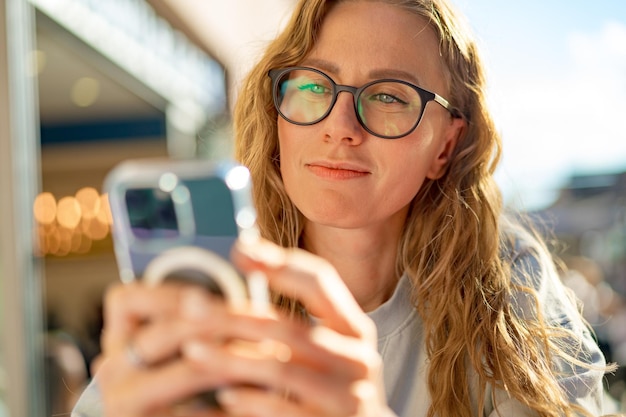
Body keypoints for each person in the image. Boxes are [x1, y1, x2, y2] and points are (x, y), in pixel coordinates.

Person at [72, 0, 616, 416]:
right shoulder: (210, 290)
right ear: (279, 113)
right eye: (313, 84)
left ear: (445, 147)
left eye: (388, 96)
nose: (340, 126)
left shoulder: (506, 286)